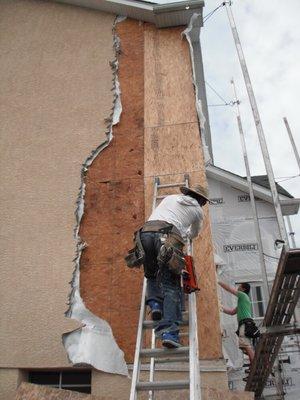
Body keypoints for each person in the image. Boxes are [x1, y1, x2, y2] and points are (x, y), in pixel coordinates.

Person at [139, 185, 209, 348]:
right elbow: (194, 233)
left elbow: (157, 217)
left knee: (151, 273)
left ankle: (155, 304)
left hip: (145, 234)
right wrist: (184, 236)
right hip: (167, 238)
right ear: (201, 200)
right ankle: (170, 333)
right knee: (171, 286)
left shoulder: (169, 198)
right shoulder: (197, 210)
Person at [218, 281, 255, 364]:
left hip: (245, 323)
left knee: (245, 344)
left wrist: (218, 282)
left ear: (243, 289)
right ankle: (253, 361)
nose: (238, 288)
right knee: (243, 346)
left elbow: (229, 289)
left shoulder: (243, 295)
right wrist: (220, 307)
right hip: (245, 323)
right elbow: (232, 312)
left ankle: (254, 362)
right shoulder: (242, 301)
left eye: (240, 286)